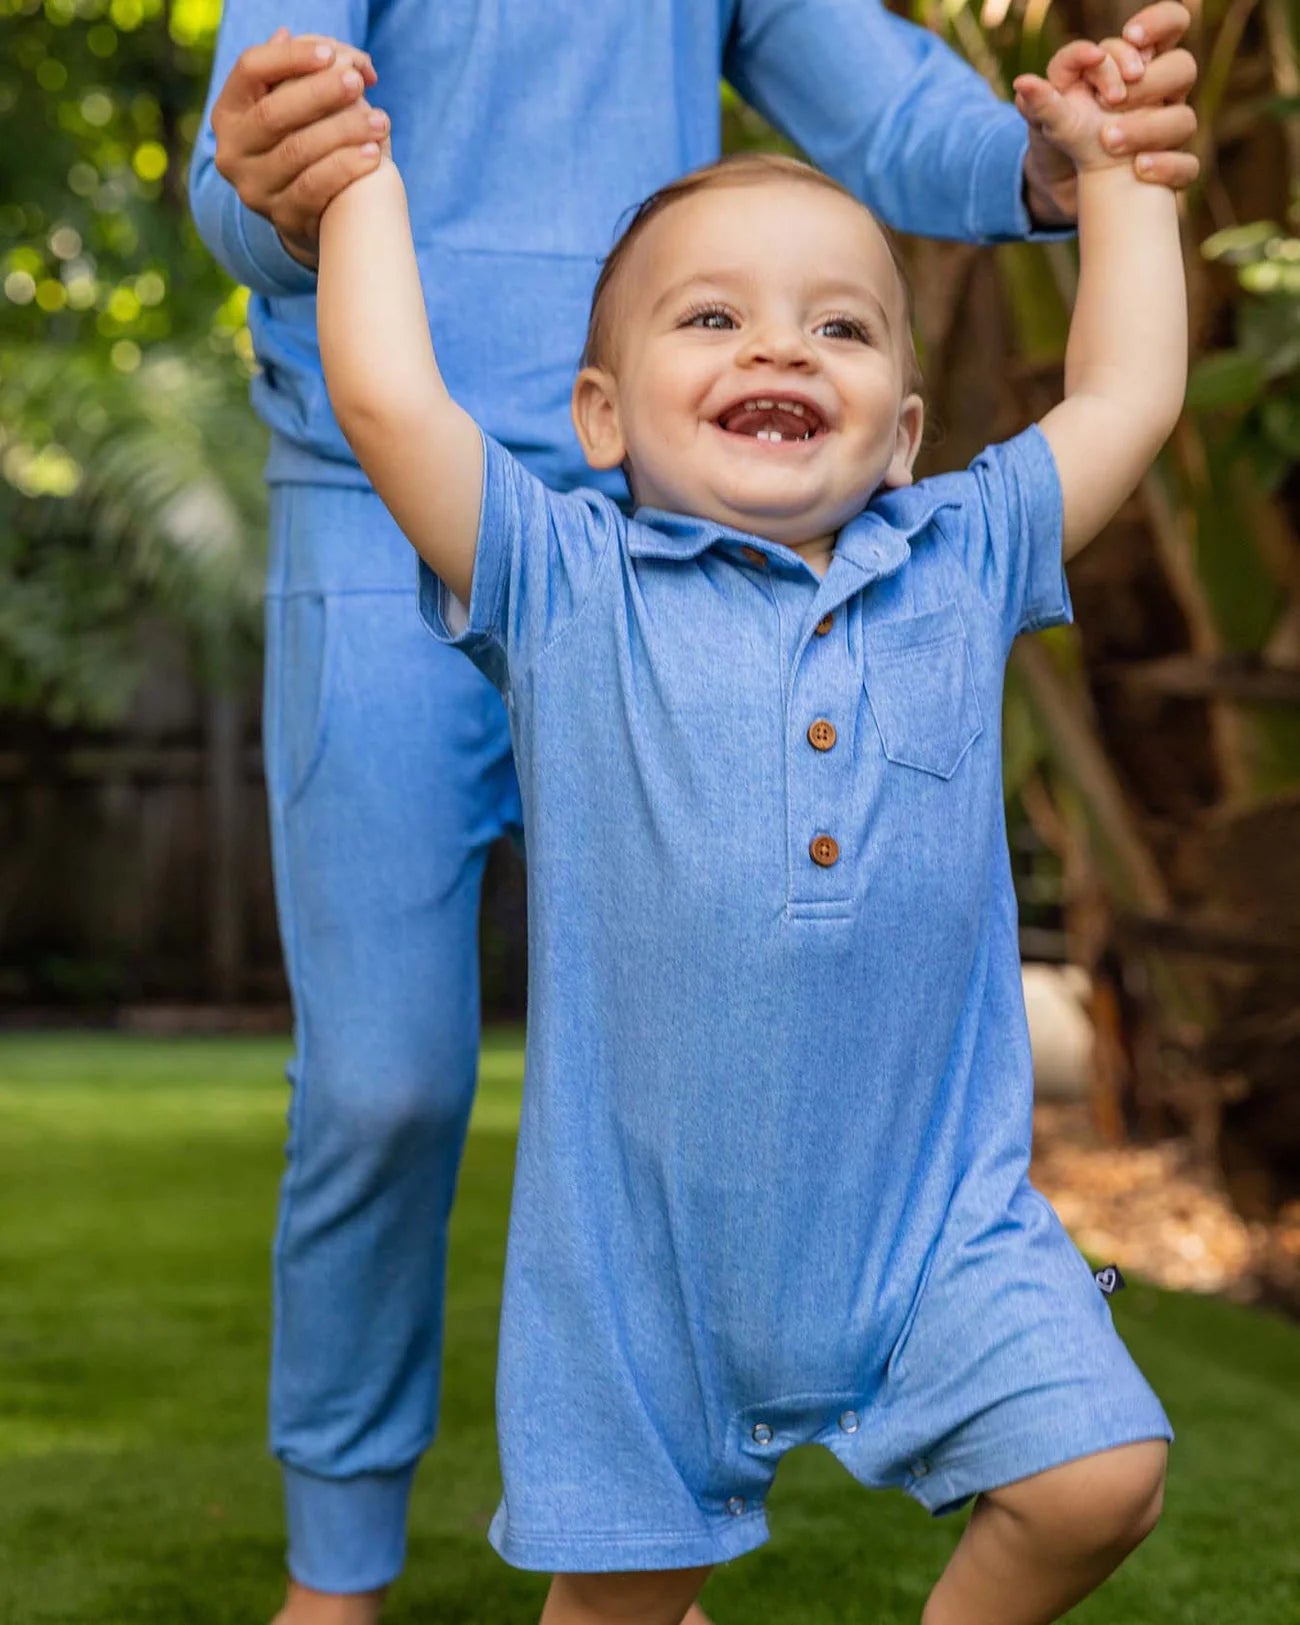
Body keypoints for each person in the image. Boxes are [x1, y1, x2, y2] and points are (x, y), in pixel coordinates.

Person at [188, 7, 1197, 1620]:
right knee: (384, 1098)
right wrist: (342, 181)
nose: (782, 349)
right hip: (639, 1284)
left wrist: (1112, 157)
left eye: (842, 331)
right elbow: (383, 394)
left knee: (1100, 1475)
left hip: (929, 1235)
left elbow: (1128, 384)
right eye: (717, 316)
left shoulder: (956, 556)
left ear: (911, 436)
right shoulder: (567, 575)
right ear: (607, 418)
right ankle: (340, 1567)